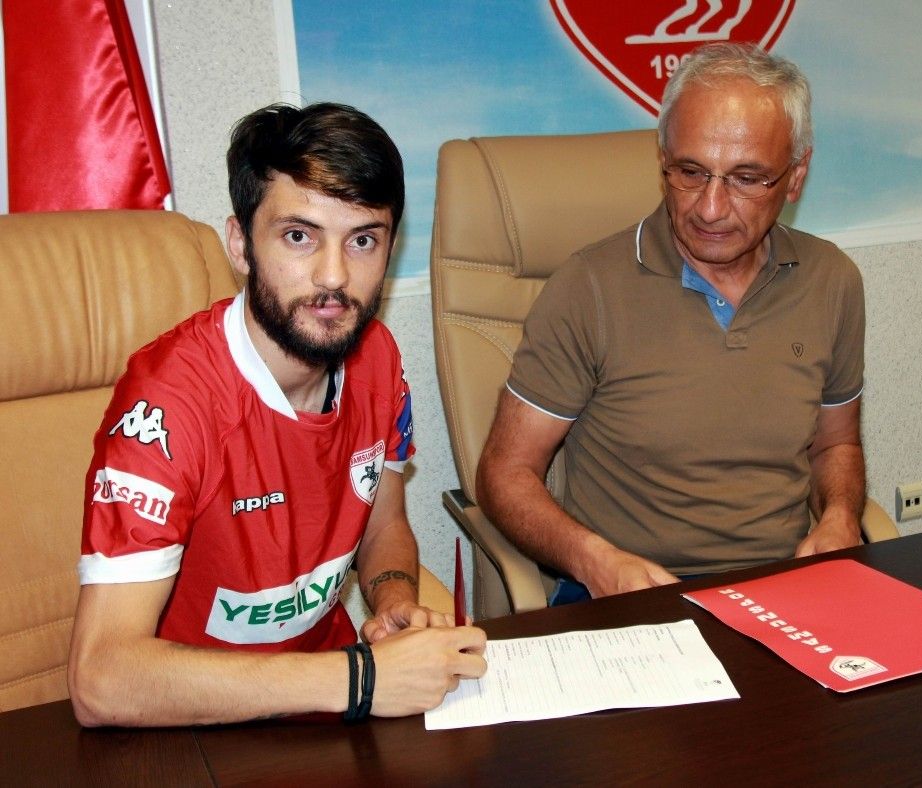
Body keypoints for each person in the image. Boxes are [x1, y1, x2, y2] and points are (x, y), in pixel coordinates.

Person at [69, 102, 486, 727]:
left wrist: (394, 600)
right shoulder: (167, 404)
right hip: (194, 727)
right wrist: (363, 678)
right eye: (299, 236)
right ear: (241, 244)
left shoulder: (376, 356)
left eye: (363, 240)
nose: (334, 277)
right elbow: (100, 680)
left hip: (330, 703)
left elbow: (383, 525)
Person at [477, 43, 866, 604]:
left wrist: (839, 517)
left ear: (796, 176)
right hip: (626, 593)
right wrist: (595, 561)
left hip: (782, 589)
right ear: (663, 161)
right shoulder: (588, 287)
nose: (710, 208)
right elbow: (504, 472)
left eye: (746, 178)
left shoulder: (832, 280)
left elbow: (835, 446)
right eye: (690, 172)